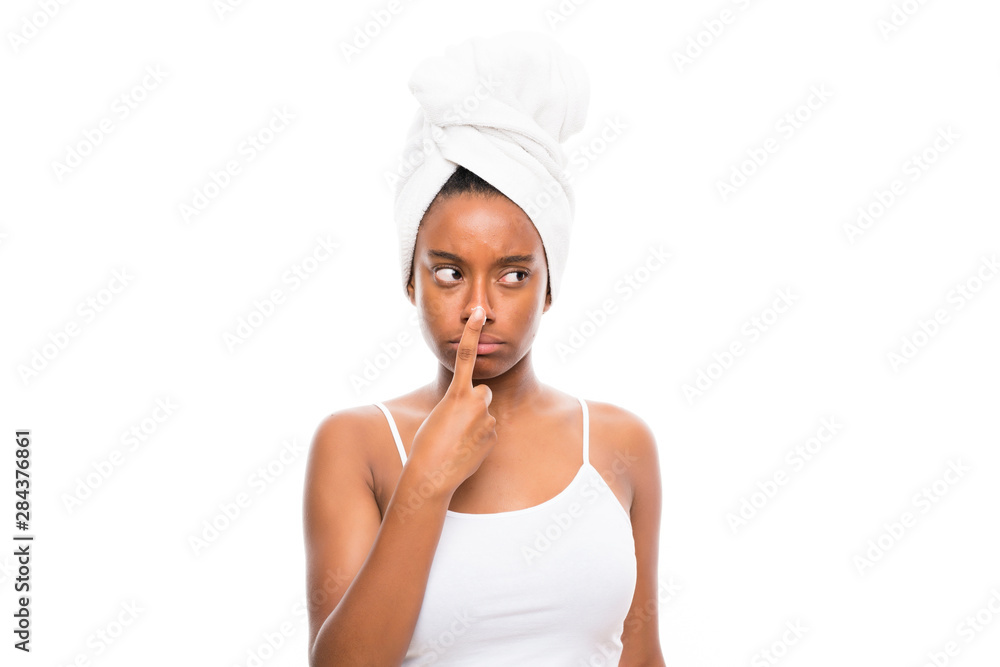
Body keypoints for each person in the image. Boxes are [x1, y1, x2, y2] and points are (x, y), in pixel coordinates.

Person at [303, 32, 665, 666]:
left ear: (549, 287)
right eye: (448, 273)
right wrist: (427, 479)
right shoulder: (356, 445)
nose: (478, 307)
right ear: (410, 281)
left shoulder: (619, 443)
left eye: (513, 274)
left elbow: (642, 656)